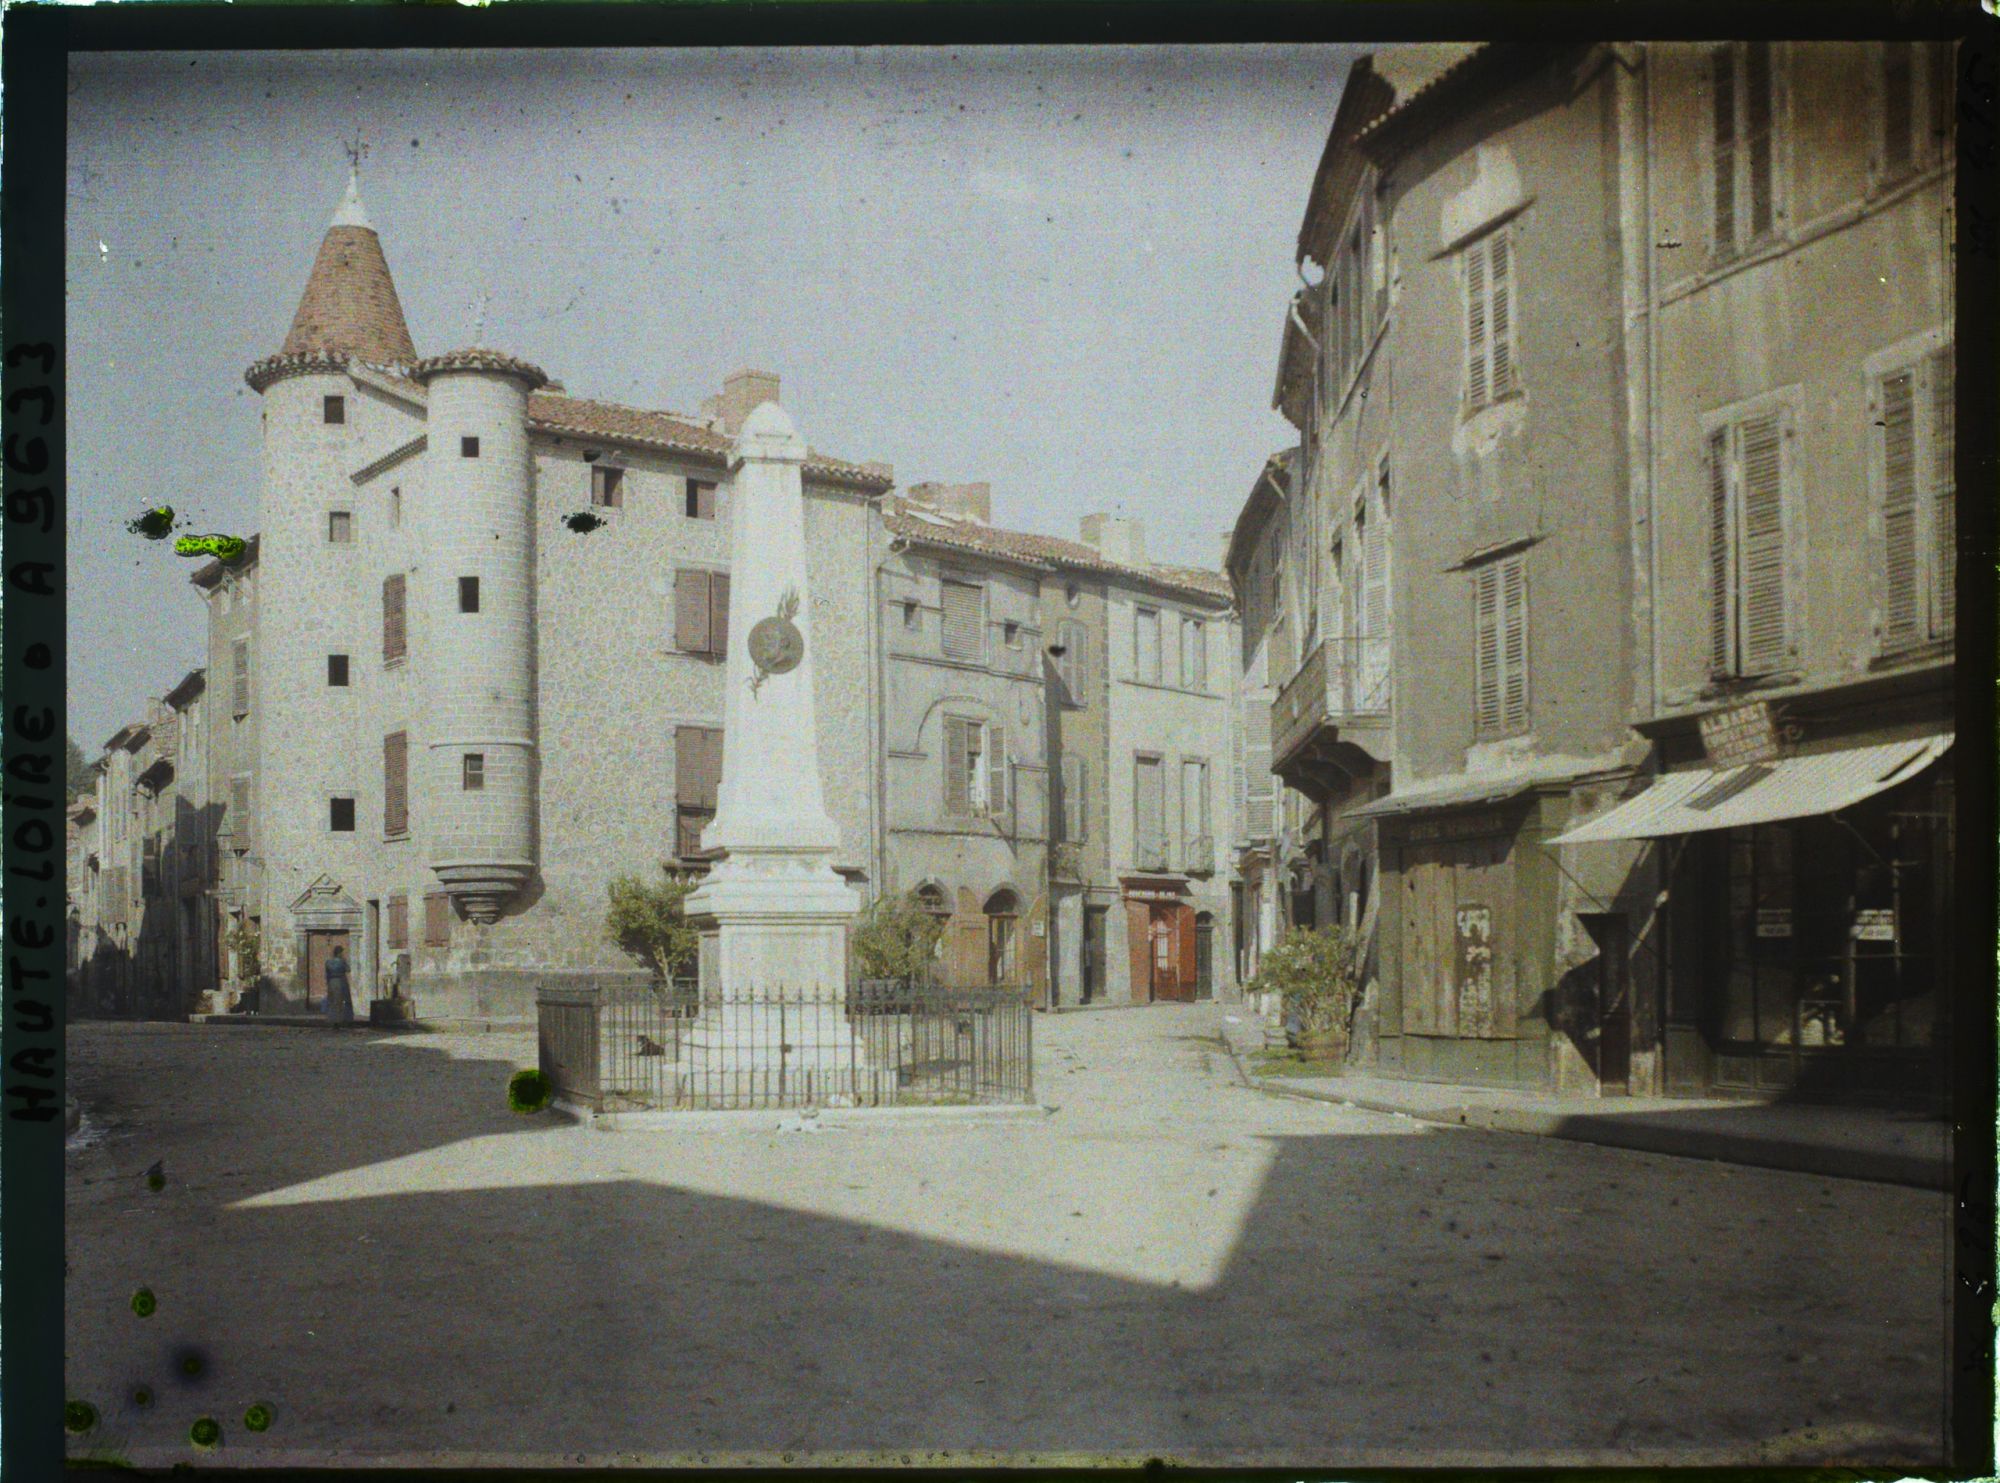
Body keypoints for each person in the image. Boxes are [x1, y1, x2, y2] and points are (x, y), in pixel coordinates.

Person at [323, 944, 355, 1029]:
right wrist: (344, 961)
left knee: (333, 1001)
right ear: (340, 953)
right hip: (341, 981)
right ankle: (344, 1020)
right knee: (343, 1001)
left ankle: (334, 1021)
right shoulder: (342, 961)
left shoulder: (328, 962)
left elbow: (327, 974)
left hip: (331, 982)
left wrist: (328, 983)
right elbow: (348, 969)